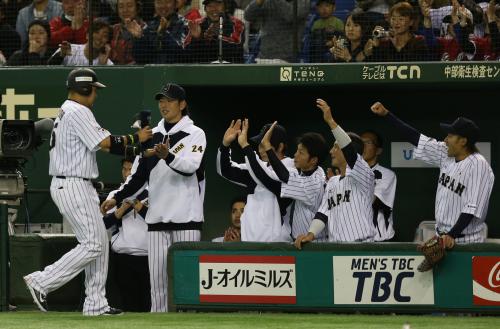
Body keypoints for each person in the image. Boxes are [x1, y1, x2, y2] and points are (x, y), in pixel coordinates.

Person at [23, 68, 153, 316]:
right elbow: (105, 144)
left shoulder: (70, 111)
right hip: (72, 183)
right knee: (93, 243)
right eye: (94, 89)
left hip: (77, 183)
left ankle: (96, 304)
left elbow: (106, 146)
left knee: (100, 242)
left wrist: (137, 150)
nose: (96, 93)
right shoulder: (77, 111)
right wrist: (136, 138)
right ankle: (42, 281)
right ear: (84, 89)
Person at [100, 83, 206, 312]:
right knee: (157, 284)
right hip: (156, 218)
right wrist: (116, 198)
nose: (163, 105)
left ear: (182, 104)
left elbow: (190, 167)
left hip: (186, 218)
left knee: (186, 281)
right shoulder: (151, 135)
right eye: (161, 100)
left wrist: (167, 156)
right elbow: (138, 177)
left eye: (169, 100)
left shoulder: (195, 133)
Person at [370, 102, 494, 248]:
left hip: (466, 242)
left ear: (463, 141)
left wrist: (451, 235)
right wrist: (387, 115)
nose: (446, 139)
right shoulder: (446, 153)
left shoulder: (479, 165)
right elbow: (417, 139)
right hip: (443, 237)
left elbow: (471, 209)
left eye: (451, 135)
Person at [295, 99, 376, 249]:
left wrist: (331, 121)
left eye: (336, 148)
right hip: (336, 248)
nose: (332, 151)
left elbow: (350, 151)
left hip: (362, 246)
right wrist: (310, 234)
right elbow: (323, 213)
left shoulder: (365, 174)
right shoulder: (333, 182)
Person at [217, 120, 295, 242]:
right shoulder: (259, 167)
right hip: (251, 242)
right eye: (259, 144)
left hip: (277, 243)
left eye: (264, 144)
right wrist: (225, 145)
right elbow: (226, 170)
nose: (260, 149)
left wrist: (245, 146)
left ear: (280, 146)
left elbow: (267, 178)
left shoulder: (291, 169)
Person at [250, 125, 329, 242]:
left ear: (313, 160)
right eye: (297, 150)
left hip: (316, 243)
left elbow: (284, 176)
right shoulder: (310, 173)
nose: (296, 155)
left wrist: (267, 148)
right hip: (300, 242)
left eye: (301, 153)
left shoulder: (315, 183)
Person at [102, 157, 150, 312]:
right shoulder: (114, 196)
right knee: (127, 305)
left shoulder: (154, 192)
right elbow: (103, 225)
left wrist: (138, 206)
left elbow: (160, 221)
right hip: (123, 257)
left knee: (149, 305)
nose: (128, 173)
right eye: (125, 169)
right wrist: (120, 210)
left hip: (150, 257)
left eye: (132, 169)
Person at [244, 0, 310, 63]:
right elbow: (247, 16)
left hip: (287, 60)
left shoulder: (303, 2)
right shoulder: (268, 2)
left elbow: (290, 15)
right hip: (263, 58)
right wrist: (258, 2)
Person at [360, 130, 397, 242]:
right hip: (356, 238)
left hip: (380, 239)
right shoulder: (348, 174)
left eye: (368, 142)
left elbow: (375, 202)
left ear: (378, 150)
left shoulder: (387, 174)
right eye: (360, 143)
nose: (363, 146)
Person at [364, 1, 430, 62]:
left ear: (411, 22)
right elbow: (377, 67)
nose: (396, 23)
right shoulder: (386, 43)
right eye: (393, 19)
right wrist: (376, 45)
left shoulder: (418, 42)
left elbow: (412, 65)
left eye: (401, 19)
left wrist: (396, 46)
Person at [109, 0, 146, 64]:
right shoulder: (112, 30)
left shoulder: (146, 29)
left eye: (129, 6)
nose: (125, 10)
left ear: (137, 8)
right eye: (121, 7)